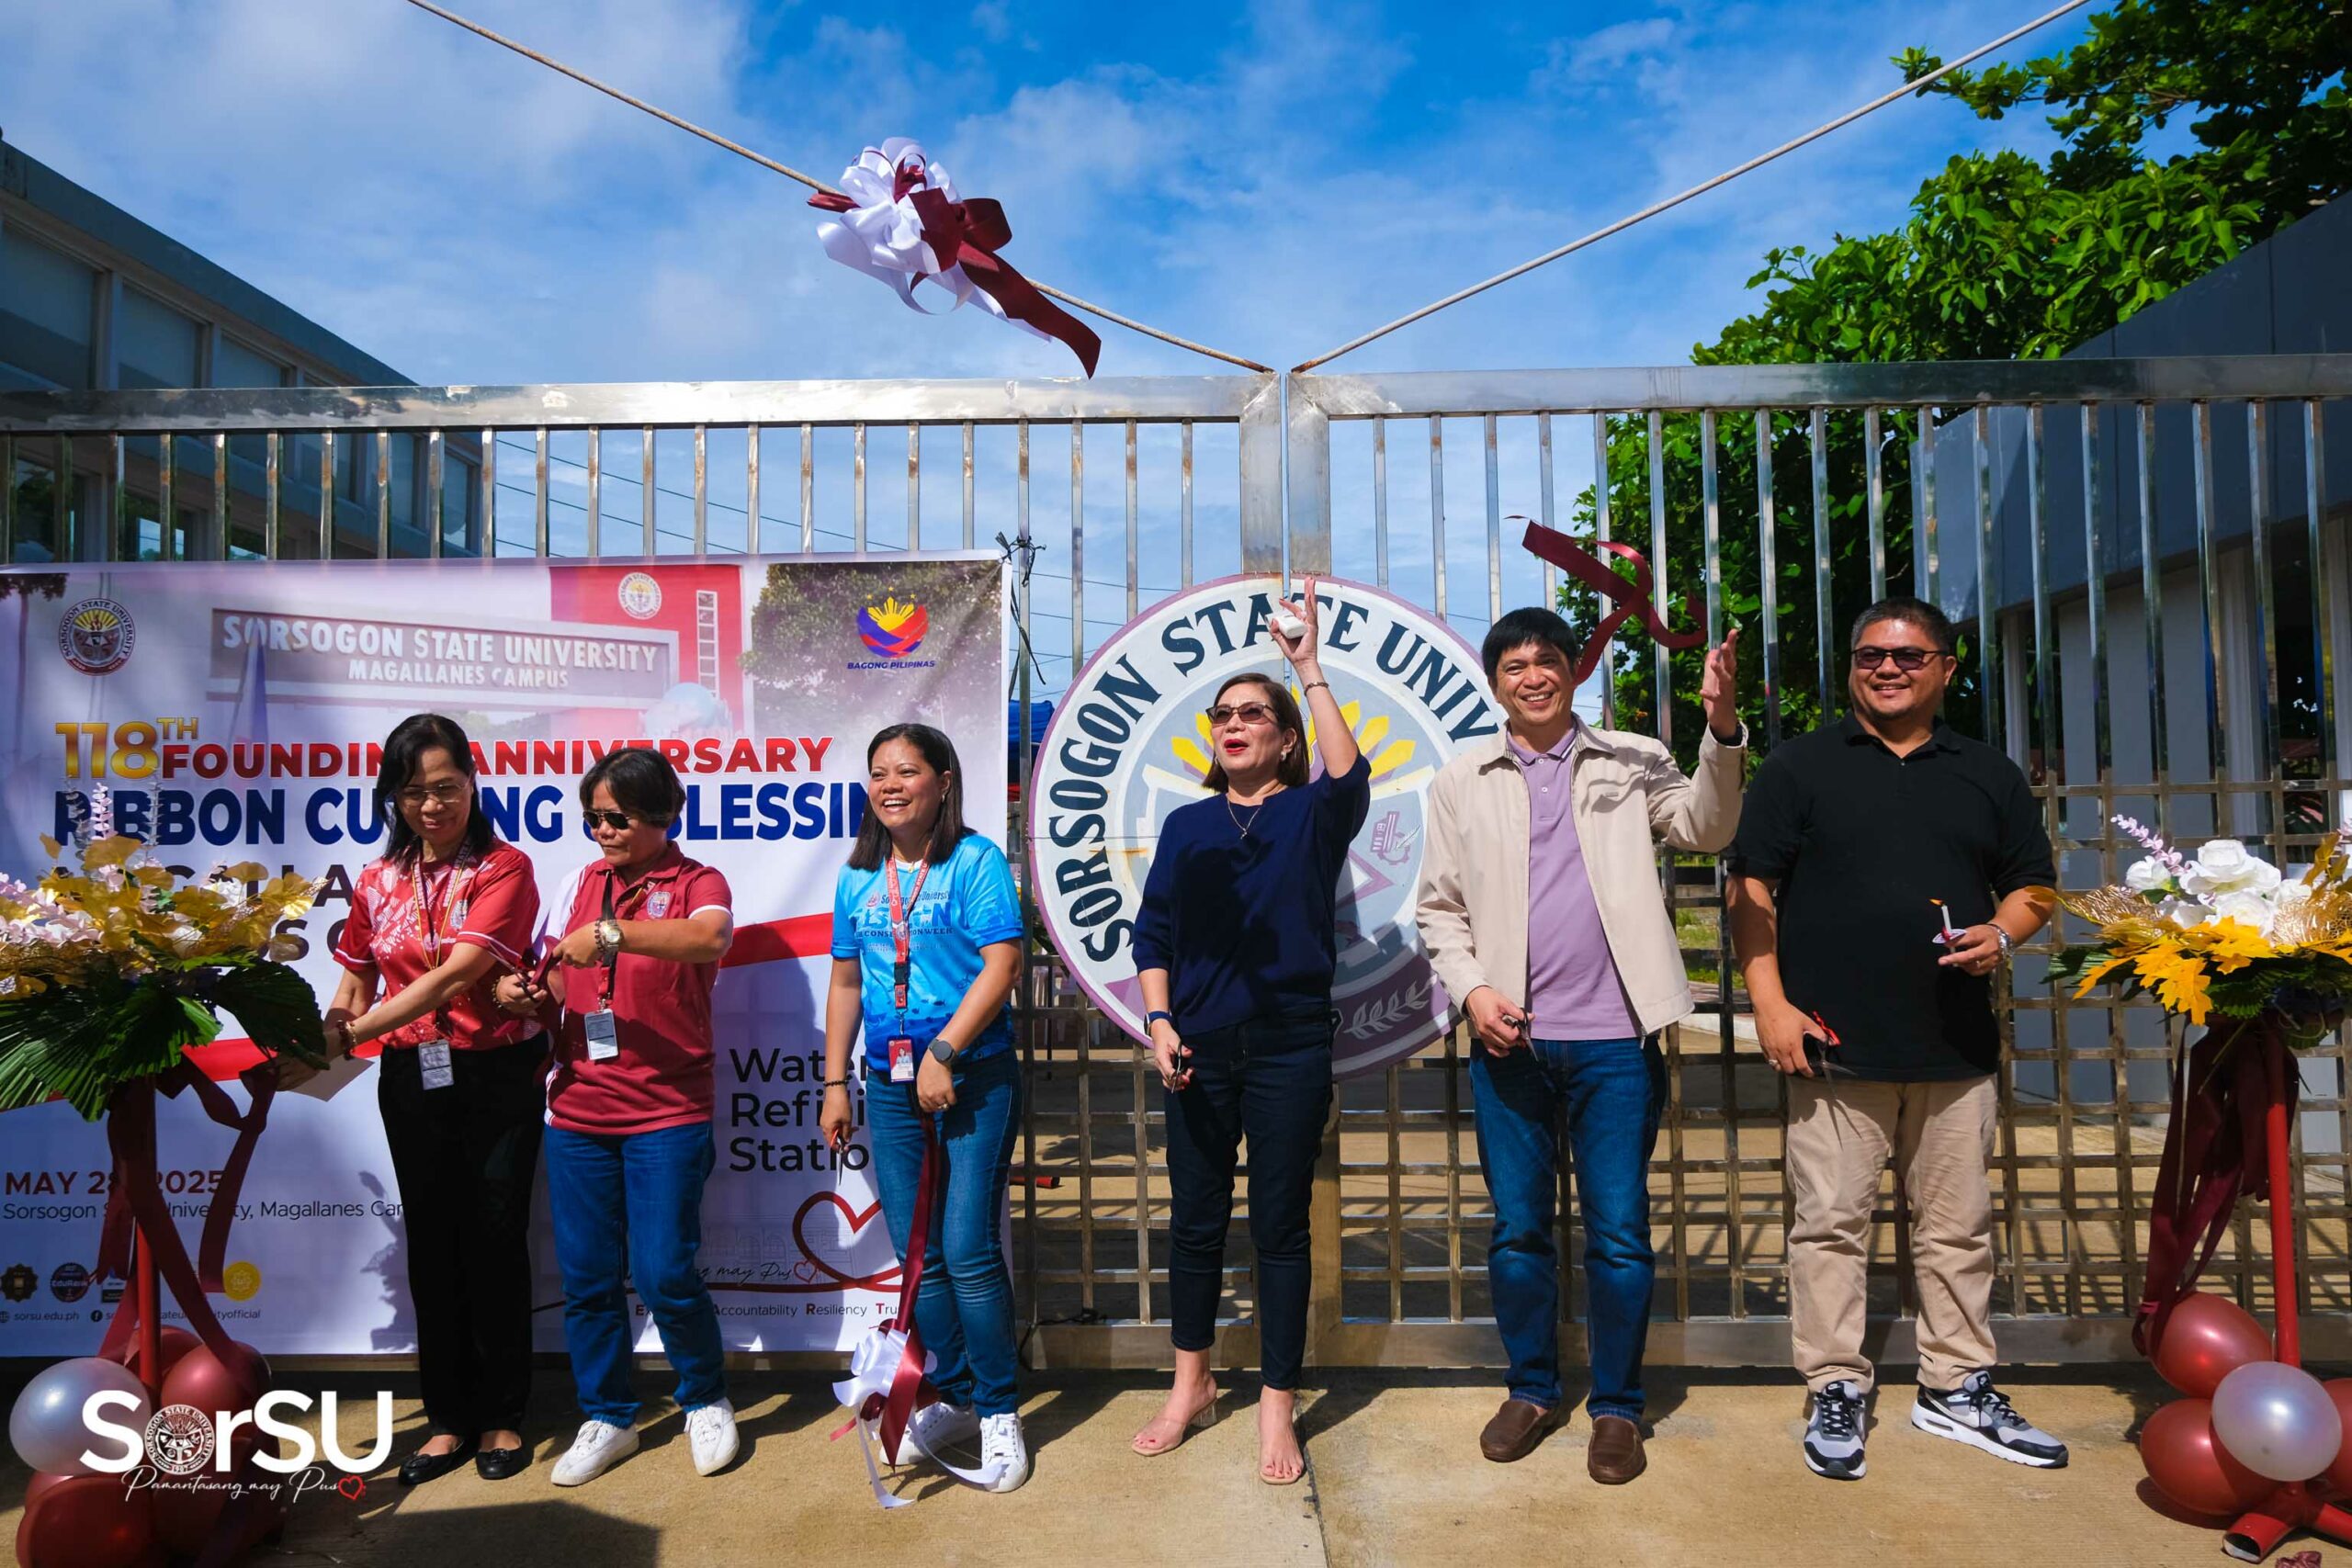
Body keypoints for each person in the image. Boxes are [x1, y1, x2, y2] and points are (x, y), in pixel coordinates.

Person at [1726, 595, 2066, 1482]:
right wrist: (1770, 1004)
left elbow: (2035, 884)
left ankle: (1955, 1385)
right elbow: (1750, 891)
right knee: (1830, 1228)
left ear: (1946, 668)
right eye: (1870, 654)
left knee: (1958, 1230)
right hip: (1834, 1046)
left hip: (1954, 1047)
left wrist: (2003, 933)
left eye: (1909, 656)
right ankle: (1835, 1383)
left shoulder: (1988, 774)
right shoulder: (1799, 767)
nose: (1886, 668)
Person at [1416, 605, 1745, 1483]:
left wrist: (1721, 729)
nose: (1533, 676)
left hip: (1615, 1041)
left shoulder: (1631, 758)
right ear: (1496, 683)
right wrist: (1474, 989)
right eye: (1514, 665)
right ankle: (1530, 1388)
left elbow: (1708, 827)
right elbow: (1438, 908)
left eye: (1547, 660)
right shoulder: (1462, 779)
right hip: (1510, 1044)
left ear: (1572, 671)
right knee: (1519, 1231)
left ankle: (1618, 1407)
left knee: (1620, 1234)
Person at [1129, 578, 1368, 1486]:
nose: (1233, 725)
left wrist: (1306, 666)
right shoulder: (1187, 824)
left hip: (1289, 1045)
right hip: (1195, 1048)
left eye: (1252, 713)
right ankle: (1190, 1384)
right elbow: (1153, 935)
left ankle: (1276, 1400)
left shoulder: (1311, 813)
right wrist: (1158, 1020)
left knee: (1277, 1227)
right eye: (1222, 715)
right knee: (1195, 1223)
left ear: (1284, 736)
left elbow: (1350, 777)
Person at [292, 713, 544, 1484]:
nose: (432, 805)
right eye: (413, 792)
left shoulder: (504, 867)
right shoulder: (376, 878)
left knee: (495, 1236)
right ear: (392, 798)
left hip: (496, 1073)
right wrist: (324, 1031)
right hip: (412, 1077)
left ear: (472, 781)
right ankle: (448, 1418)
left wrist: (350, 1034)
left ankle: (502, 1413)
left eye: (446, 787)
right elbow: (354, 976)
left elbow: (454, 975)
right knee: (432, 1242)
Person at [495, 747, 740, 1486]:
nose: (602, 830)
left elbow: (710, 937)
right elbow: (549, 978)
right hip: (578, 1110)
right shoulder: (578, 882)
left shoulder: (698, 881)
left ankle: (705, 1396)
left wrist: (613, 933)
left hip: (667, 1110)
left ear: (662, 815)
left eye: (618, 817)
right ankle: (608, 1414)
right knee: (589, 1277)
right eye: (592, 817)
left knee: (663, 1270)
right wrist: (523, 995)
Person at [817, 724, 1029, 1490]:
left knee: (968, 1248)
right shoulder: (858, 875)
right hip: (889, 1081)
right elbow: (847, 981)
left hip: (971, 1074)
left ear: (943, 781)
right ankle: (960, 1393)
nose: (891, 785)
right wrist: (835, 1082)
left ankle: (1000, 1410)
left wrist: (944, 1050)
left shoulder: (975, 860)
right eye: (879, 772)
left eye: (907, 771)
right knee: (922, 1258)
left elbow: (1003, 963)